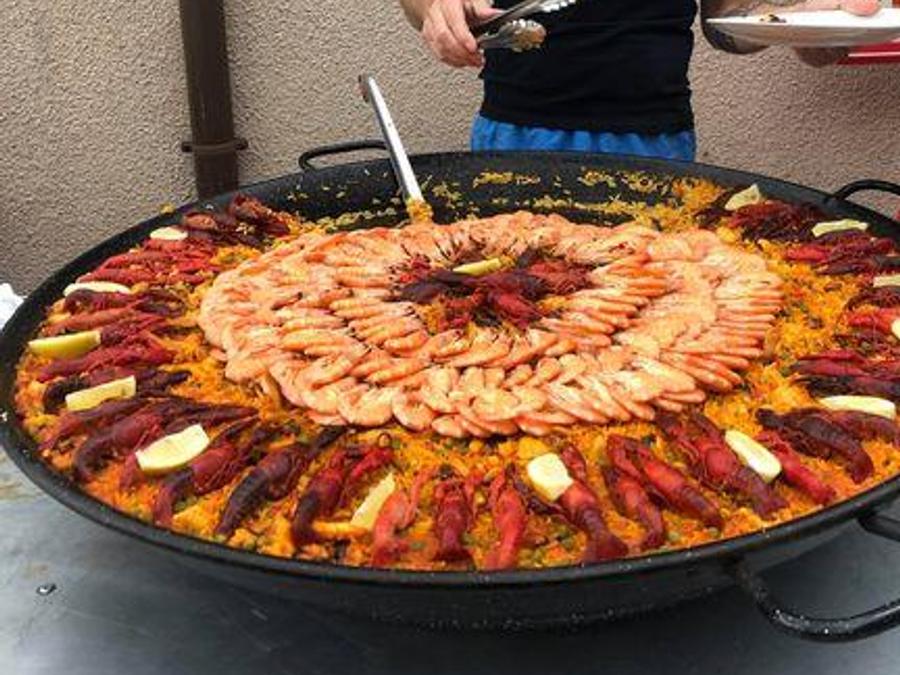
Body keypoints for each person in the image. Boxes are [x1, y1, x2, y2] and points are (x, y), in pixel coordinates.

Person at [399, 0, 881, 161]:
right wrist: (436, 8)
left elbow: (729, 19)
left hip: (654, 142)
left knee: (649, 323)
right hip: (515, 134)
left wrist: (806, 20)